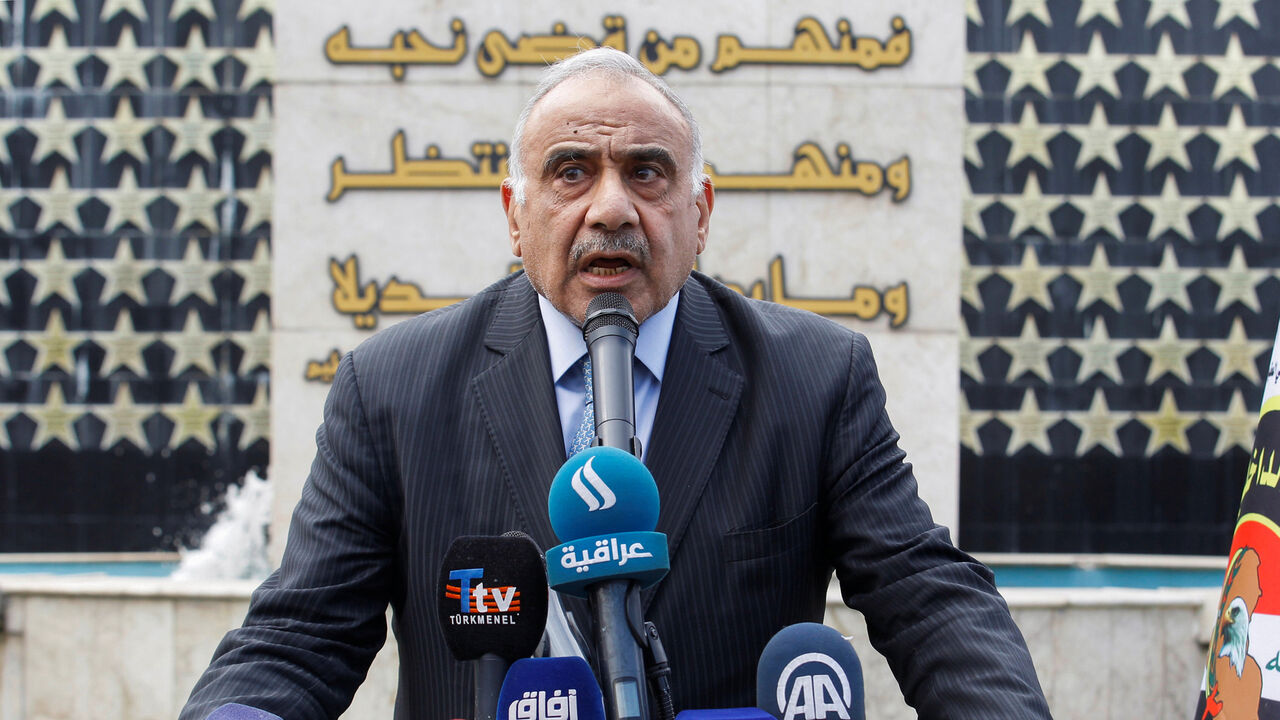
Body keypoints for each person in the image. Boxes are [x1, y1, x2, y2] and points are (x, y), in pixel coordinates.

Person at [181, 48, 1051, 719]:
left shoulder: (814, 376)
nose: (609, 208)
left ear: (698, 213)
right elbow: (298, 639)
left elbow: (928, 596)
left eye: (645, 172)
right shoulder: (393, 389)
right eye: (571, 172)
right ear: (516, 217)